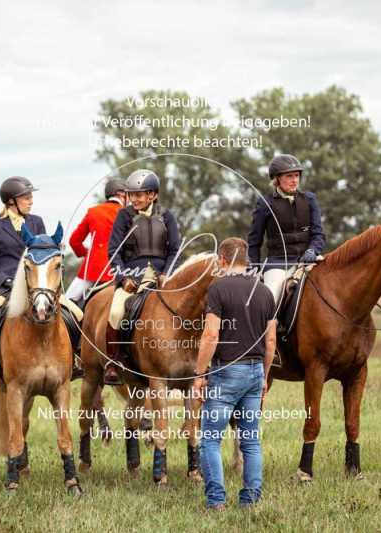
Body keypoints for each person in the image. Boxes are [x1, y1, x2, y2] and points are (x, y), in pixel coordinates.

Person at [193, 237, 277, 510]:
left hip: (226, 372)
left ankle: (216, 500)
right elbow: (271, 342)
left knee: (210, 440)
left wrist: (199, 374)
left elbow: (210, 334)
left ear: (223, 261)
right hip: (254, 373)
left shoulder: (218, 289)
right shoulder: (264, 291)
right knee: (250, 441)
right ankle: (251, 500)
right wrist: (263, 376)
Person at [103, 169, 181, 386]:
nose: (134, 199)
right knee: (117, 310)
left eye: (139, 194)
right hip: (132, 276)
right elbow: (114, 251)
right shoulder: (124, 216)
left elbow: (175, 249)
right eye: (131, 194)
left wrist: (167, 273)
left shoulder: (167, 216)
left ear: (153, 195)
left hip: (161, 276)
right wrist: (123, 277)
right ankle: (114, 361)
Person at [0, 176, 45, 386]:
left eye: (31, 196)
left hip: (35, 286)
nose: (31, 200)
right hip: (2, 287)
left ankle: (74, 361)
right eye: (27, 197)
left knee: (73, 313)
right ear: (11, 201)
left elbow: (43, 255)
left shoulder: (36, 222)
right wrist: (4, 281)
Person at [247, 154, 326, 307]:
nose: (294, 180)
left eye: (297, 176)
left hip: (309, 260)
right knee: (270, 301)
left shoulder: (309, 200)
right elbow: (254, 241)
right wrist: (255, 269)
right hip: (278, 263)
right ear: (277, 179)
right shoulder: (265, 204)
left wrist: (313, 250)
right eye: (289, 176)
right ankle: (269, 329)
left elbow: (318, 234)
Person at [66, 178, 127, 302]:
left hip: (94, 270)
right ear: (121, 194)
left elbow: (74, 241)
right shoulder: (129, 214)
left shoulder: (93, 212)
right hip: (121, 271)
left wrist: (87, 254)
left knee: (66, 303)